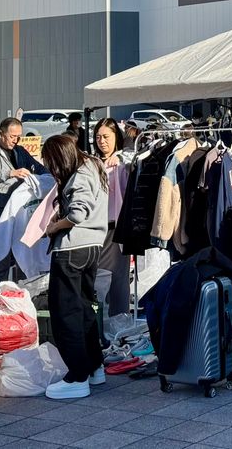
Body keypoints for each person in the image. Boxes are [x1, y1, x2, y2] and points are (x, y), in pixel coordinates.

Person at [41, 134, 110, 400]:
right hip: (92, 247)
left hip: (70, 250)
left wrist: (54, 226)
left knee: (65, 313)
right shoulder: (94, 165)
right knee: (84, 309)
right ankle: (94, 367)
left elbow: (78, 213)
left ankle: (77, 376)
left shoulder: (79, 174)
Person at [93, 118, 132, 317]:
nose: (102, 142)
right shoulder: (92, 162)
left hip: (116, 227)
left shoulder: (124, 161)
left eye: (106, 137)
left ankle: (120, 319)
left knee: (118, 277)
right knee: (97, 278)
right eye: (98, 137)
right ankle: (101, 321)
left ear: (116, 136)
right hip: (95, 228)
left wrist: (122, 161)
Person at [0, 118, 44, 225]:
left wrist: (51, 175)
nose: (15, 140)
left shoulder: (20, 150)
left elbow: (38, 167)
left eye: (18, 137)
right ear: (1, 134)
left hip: (20, 203)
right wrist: (10, 173)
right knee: (0, 239)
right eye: (12, 136)